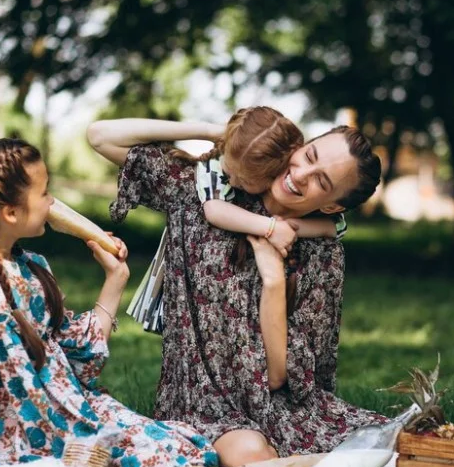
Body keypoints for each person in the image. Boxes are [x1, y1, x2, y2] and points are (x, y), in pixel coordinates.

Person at [87, 117, 387, 467]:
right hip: (202, 403)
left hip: (282, 407)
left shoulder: (323, 253)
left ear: (333, 207)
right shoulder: (203, 192)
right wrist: (213, 131)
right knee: (254, 456)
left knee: (387, 448)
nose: (303, 174)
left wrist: (273, 284)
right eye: (309, 155)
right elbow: (100, 136)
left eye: (322, 180)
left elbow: (279, 377)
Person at [0, 137, 218, 467]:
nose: (52, 201)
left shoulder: (34, 265)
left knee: (188, 449)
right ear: (11, 212)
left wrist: (115, 280)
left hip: (72, 413)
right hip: (18, 433)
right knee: (161, 465)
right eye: (44, 193)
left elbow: (81, 360)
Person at [127, 106, 346, 334]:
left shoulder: (264, 174)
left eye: (242, 178)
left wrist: (293, 228)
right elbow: (214, 210)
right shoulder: (214, 166)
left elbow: (338, 226)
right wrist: (213, 131)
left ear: (269, 175)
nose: (230, 176)